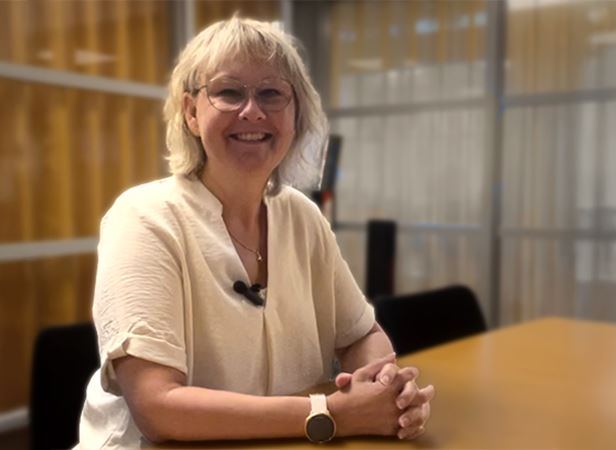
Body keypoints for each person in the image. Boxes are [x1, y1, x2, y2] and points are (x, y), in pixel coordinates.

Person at [76, 17, 434, 449]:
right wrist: (333, 414)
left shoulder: (302, 217)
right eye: (229, 92)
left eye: (272, 93)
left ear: (295, 113)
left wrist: (384, 386)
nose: (253, 111)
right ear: (191, 112)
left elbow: (360, 333)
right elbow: (158, 407)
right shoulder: (144, 218)